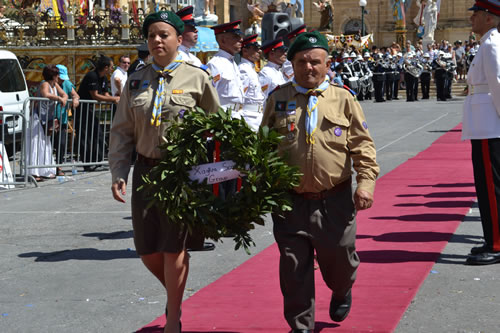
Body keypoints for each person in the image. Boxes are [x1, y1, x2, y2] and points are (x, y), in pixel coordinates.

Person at [109, 11, 220, 333]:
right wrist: (118, 171)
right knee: (147, 250)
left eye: (164, 35)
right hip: (145, 170)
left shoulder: (197, 77)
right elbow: (122, 131)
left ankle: (173, 318)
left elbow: (217, 126)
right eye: (152, 35)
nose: (157, 40)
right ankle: (175, 295)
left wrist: (217, 174)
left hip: (182, 174)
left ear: (177, 38)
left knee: (174, 247)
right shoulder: (136, 79)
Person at [261, 31, 379, 332]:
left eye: (315, 61)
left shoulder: (344, 99)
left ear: (327, 64)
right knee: (294, 267)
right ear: (293, 64)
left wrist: (365, 184)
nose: (308, 67)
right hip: (290, 201)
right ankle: (301, 326)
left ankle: (342, 288)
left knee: (339, 260)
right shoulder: (278, 99)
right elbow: (263, 147)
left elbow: (363, 146)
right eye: (301, 61)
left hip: (335, 200)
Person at [462, 0, 500, 266]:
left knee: (491, 187)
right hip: (484, 123)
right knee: (488, 187)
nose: (472, 18)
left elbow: (498, 84)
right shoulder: (487, 42)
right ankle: (492, 239)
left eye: (476, 14)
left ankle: (497, 244)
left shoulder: (492, 44)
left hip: (490, 125)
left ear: (490, 17)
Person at [76, 56, 119, 171]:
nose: (112, 69)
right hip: (82, 108)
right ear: (106, 67)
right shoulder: (92, 76)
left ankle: (97, 159)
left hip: (91, 108)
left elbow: (105, 94)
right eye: (111, 66)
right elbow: (95, 95)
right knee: (86, 136)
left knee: (98, 134)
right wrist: (114, 100)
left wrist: (115, 99)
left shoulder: (104, 78)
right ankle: (87, 162)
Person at [28, 65, 68, 182]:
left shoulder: (54, 85)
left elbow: (64, 94)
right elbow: (46, 94)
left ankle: (45, 170)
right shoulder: (45, 84)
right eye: (57, 75)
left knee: (45, 144)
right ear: (53, 76)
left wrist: (64, 98)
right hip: (38, 118)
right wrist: (59, 99)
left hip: (47, 118)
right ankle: (34, 172)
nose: (58, 77)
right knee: (37, 144)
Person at [206, 20, 245, 115]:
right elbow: (209, 97)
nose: (241, 40)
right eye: (236, 37)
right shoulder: (215, 64)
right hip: (223, 117)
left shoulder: (232, 62)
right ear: (223, 40)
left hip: (238, 114)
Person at [54, 64, 80, 175]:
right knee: (49, 144)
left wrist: (75, 100)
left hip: (62, 119)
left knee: (62, 143)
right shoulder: (48, 83)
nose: (61, 80)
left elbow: (75, 94)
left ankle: (58, 166)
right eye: (60, 78)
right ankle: (48, 167)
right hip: (50, 118)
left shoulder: (66, 83)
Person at [238, 34, 265, 131]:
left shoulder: (251, 69)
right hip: (248, 117)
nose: (259, 51)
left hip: (257, 116)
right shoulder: (243, 70)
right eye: (255, 48)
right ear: (245, 50)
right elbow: (241, 96)